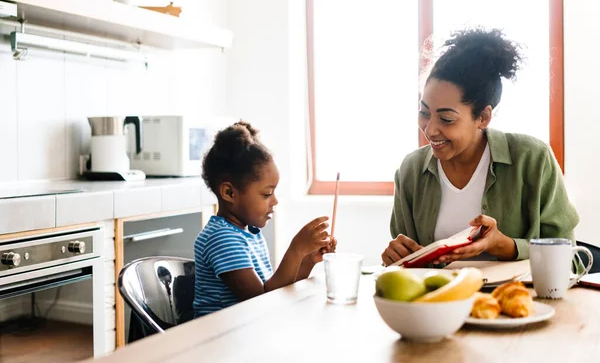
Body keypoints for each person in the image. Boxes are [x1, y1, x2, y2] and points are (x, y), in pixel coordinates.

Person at [381, 28, 579, 267]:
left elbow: (570, 259)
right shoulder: (411, 171)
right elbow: (406, 272)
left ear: (483, 117)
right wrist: (396, 259)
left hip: (518, 302)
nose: (430, 129)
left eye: (446, 119)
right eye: (424, 112)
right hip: (439, 302)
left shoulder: (532, 159)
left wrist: (503, 245)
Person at [194, 121, 336, 317]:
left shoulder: (249, 234)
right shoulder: (221, 238)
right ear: (229, 192)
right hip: (221, 341)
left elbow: (278, 289)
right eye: (267, 194)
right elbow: (262, 302)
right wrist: (296, 249)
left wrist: (307, 259)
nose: (275, 201)